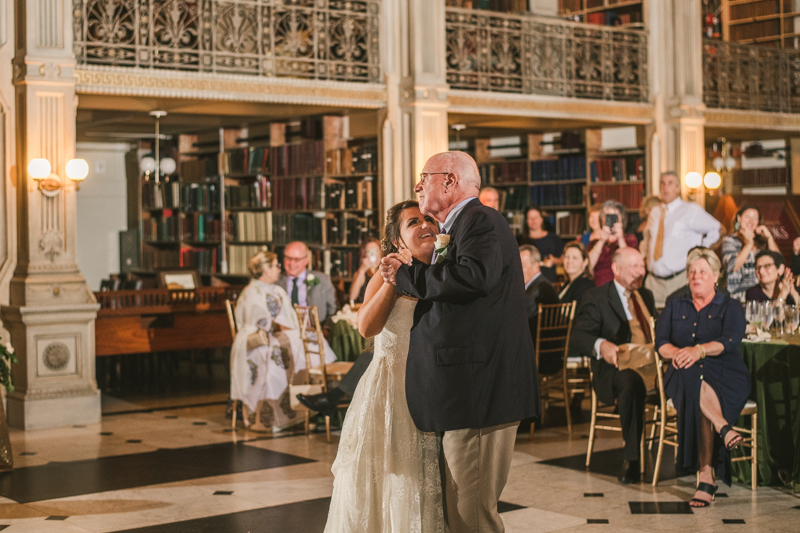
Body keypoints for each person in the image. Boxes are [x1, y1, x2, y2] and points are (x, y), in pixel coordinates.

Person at [381, 151, 540, 532]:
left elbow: (472, 278)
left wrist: (409, 274)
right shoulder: (457, 225)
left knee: (473, 515)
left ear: (449, 181)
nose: (418, 186)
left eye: (425, 177)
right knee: (459, 514)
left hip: (480, 393)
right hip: (464, 394)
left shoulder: (480, 220)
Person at [324, 201, 445, 532]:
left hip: (430, 388)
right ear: (397, 240)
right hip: (390, 389)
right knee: (389, 476)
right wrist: (393, 280)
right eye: (413, 222)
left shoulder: (444, 272)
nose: (425, 225)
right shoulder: (386, 272)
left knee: (422, 478)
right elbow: (366, 327)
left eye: (429, 219)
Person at [655, 248, 750, 506]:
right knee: (692, 376)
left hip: (726, 372)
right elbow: (661, 342)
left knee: (697, 381)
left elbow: (730, 341)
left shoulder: (730, 305)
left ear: (715, 276)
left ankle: (706, 477)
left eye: (702, 272)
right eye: (692, 272)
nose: (696, 276)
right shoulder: (676, 303)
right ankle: (721, 430)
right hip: (681, 369)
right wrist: (681, 354)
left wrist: (699, 351)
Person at [570, 247, 656, 484]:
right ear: (616, 269)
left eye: (642, 266)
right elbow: (579, 336)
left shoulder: (645, 295)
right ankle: (632, 457)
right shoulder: (597, 297)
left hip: (650, 363)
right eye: (634, 267)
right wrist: (601, 345)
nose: (640, 272)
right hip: (615, 368)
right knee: (631, 381)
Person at [229, 251, 321, 431]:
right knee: (276, 356)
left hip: (276, 338)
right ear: (265, 269)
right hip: (255, 343)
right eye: (276, 265)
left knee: (308, 344)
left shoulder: (277, 290)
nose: (279, 269)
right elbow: (258, 323)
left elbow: (289, 320)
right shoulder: (251, 292)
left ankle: (303, 410)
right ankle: (270, 419)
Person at [644, 171, 722, 307]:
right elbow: (648, 240)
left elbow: (718, 229)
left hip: (678, 279)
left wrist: (700, 252)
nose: (665, 187)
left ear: (678, 188)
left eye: (670, 183)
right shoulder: (655, 212)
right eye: (662, 183)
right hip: (653, 281)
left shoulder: (690, 210)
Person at [721, 204, 780, 302]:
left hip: (760, 296)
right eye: (747, 217)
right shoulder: (730, 240)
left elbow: (779, 262)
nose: (751, 221)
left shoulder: (761, 242)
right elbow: (731, 266)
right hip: (737, 298)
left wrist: (769, 236)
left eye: (755, 218)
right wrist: (748, 245)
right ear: (739, 218)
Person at [520, 244, 559, 372]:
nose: (519, 270)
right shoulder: (541, 285)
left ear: (536, 265)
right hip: (543, 352)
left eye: (523, 265)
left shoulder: (538, 290)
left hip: (540, 355)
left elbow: (522, 323)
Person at [278, 241, 338, 322]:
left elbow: (333, 310)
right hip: (283, 330)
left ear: (306, 260)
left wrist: (326, 329)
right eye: (288, 258)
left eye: (297, 259)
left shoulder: (322, 280)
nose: (291, 263)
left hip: (314, 330)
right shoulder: (276, 281)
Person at [588, 200, 638, 287]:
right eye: (607, 216)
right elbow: (588, 267)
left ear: (621, 220)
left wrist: (620, 238)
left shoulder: (630, 239)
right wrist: (602, 240)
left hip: (623, 287)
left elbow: (632, 265)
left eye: (614, 216)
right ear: (602, 220)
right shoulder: (595, 243)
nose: (611, 220)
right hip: (601, 288)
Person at [518, 205, 564, 282]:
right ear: (526, 221)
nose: (533, 221)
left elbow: (563, 260)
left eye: (536, 217)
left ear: (541, 219)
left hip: (549, 280)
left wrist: (554, 261)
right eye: (530, 218)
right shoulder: (519, 240)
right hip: (525, 281)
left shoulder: (553, 238)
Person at [348, 238, 381, 304]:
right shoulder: (361, 272)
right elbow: (352, 297)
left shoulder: (387, 271)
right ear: (364, 254)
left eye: (375, 251)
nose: (372, 253)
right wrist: (362, 270)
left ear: (381, 252)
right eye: (369, 251)